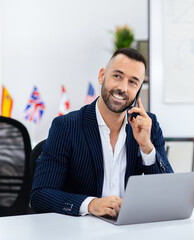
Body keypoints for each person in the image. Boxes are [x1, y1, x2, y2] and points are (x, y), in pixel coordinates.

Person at [30, 48, 173, 217]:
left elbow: (168, 194)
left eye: (133, 82)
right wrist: (90, 204)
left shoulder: (148, 125)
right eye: (117, 76)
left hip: (128, 227)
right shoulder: (67, 126)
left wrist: (146, 147)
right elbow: (40, 195)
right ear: (102, 76)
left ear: (139, 90)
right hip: (82, 229)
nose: (123, 88)